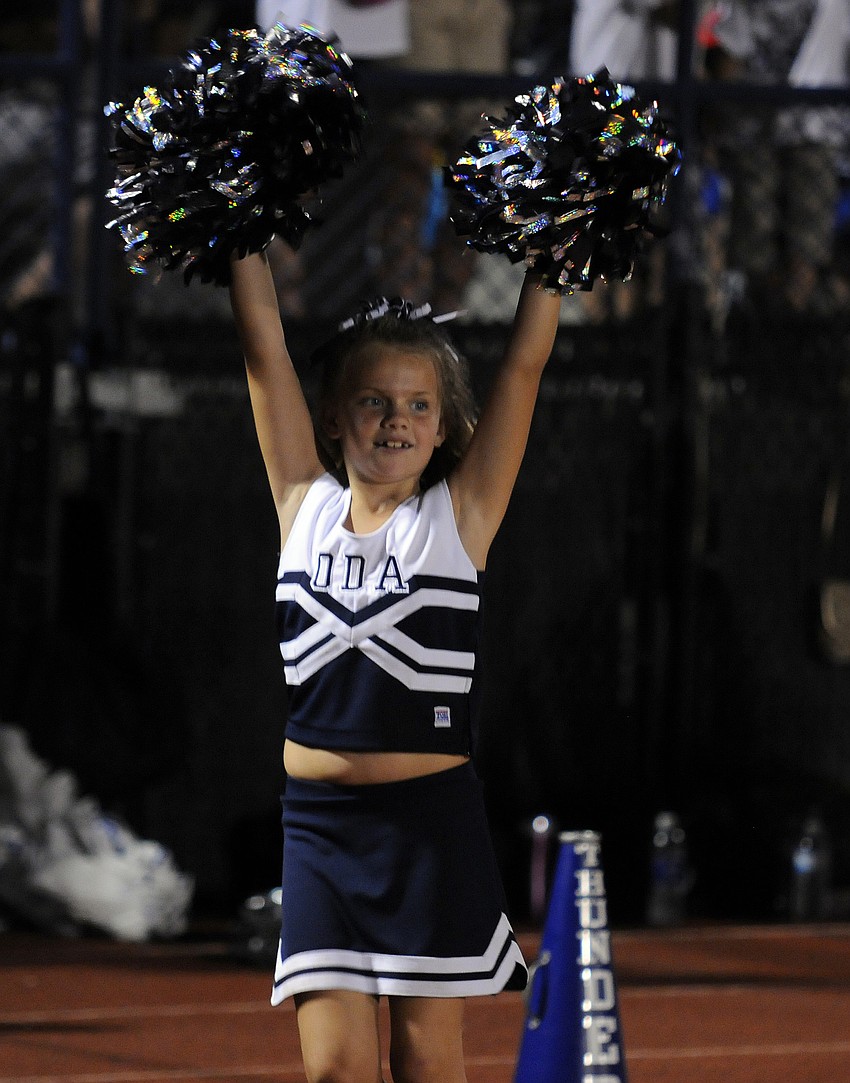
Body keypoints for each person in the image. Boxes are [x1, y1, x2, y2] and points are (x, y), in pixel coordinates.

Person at [228, 243, 562, 1081]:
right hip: (319, 831)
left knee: (424, 1065)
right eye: (374, 401)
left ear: (444, 427)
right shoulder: (302, 502)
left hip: (427, 828)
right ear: (333, 416)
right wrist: (233, 218)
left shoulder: (460, 518)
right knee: (335, 1072)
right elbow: (263, 350)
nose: (396, 419)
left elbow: (523, 368)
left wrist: (562, 247)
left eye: (418, 404)